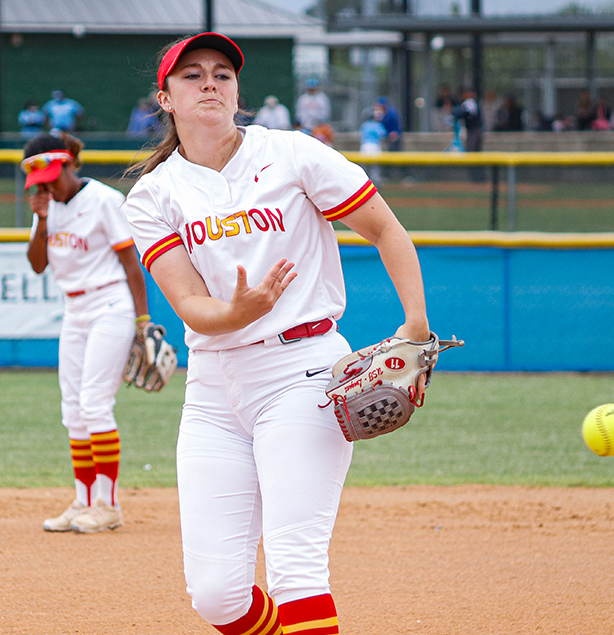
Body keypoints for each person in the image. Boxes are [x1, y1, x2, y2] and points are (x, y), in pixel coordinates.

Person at [122, 32, 431, 635]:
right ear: (165, 99)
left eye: (221, 73)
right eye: (192, 76)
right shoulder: (154, 194)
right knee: (216, 597)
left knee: (296, 571)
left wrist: (416, 328)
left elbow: (387, 230)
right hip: (213, 389)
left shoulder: (293, 154)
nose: (209, 82)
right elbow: (188, 303)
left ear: (237, 91)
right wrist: (241, 310)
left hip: (303, 372)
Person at [22, 132, 150, 534]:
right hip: (74, 308)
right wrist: (42, 218)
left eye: (54, 177)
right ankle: (83, 500)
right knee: (73, 410)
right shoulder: (47, 207)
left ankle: (108, 506)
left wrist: (142, 322)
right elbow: (37, 265)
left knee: (94, 404)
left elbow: (131, 262)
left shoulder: (104, 200)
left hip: (110, 305)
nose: (48, 187)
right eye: (40, 182)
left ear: (71, 166)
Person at [359, 103, 388, 182]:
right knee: (375, 167)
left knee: (364, 166)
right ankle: (376, 181)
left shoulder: (364, 125)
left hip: (364, 146)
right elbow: (383, 136)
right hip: (374, 146)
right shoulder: (378, 125)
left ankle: (362, 182)